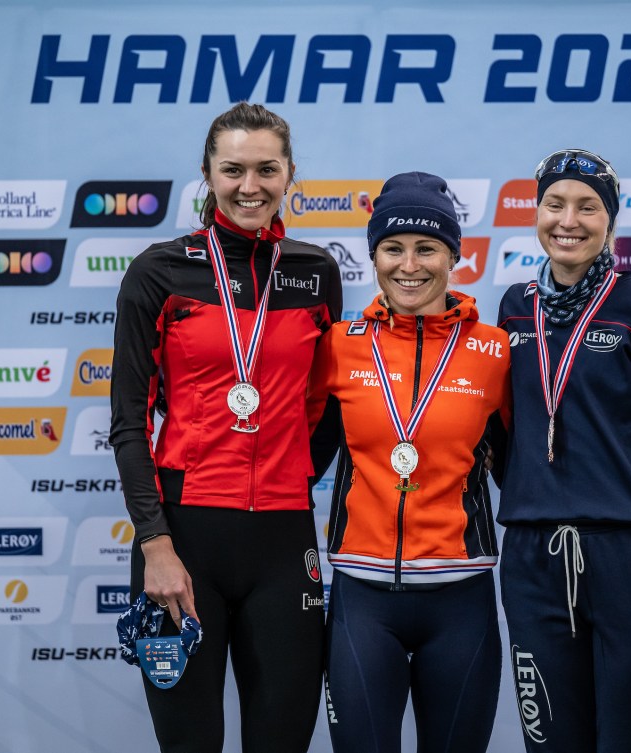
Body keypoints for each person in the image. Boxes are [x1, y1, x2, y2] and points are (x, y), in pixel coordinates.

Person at [110, 102, 342, 753]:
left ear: (290, 172)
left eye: (266, 169)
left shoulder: (314, 272)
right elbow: (128, 420)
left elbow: (322, 405)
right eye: (232, 169)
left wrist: (288, 475)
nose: (250, 186)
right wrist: (155, 542)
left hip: (281, 540)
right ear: (206, 174)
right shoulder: (158, 272)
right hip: (183, 545)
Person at [496, 148, 631, 753]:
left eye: (588, 207)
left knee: (629, 743)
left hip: (626, 562)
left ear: (610, 221)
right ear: (536, 212)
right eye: (555, 204)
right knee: (550, 744)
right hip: (533, 561)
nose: (569, 220)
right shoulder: (515, 311)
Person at [306, 172, 510, 753]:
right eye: (393, 248)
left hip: (462, 597)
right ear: (374, 256)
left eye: (428, 248)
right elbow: (301, 456)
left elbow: (521, 470)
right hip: (362, 599)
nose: (409, 264)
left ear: (454, 256)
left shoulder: (494, 351)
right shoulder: (339, 344)